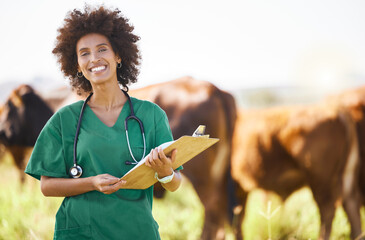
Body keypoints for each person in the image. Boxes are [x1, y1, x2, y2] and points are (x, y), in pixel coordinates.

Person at [25, 5, 182, 240]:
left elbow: (174, 184)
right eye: (84, 53)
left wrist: (165, 171)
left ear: (118, 55)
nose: (94, 59)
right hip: (80, 232)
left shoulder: (151, 115)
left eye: (102, 49)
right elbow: (47, 186)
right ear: (77, 64)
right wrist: (91, 182)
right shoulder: (64, 120)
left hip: (136, 231)